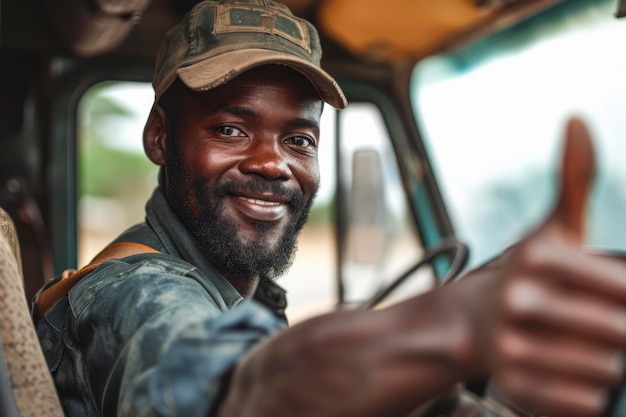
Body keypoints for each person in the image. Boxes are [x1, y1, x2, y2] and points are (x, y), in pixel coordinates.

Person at [33, 0, 626, 416]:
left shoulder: (238, 289)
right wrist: (451, 326)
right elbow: (230, 392)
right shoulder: (135, 293)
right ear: (160, 138)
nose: (274, 164)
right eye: (232, 129)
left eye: (299, 140)